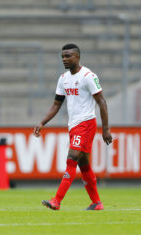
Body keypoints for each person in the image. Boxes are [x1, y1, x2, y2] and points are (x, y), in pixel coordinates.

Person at [34, 43, 112, 211]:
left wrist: (105, 129)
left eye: (68, 56)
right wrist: (42, 123)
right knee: (84, 165)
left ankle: (57, 200)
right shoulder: (63, 79)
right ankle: (96, 202)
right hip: (73, 126)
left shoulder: (88, 76)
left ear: (77, 57)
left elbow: (102, 102)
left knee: (71, 159)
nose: (64, 59)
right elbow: (56, 104)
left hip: (86, 124)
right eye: (62, 56)